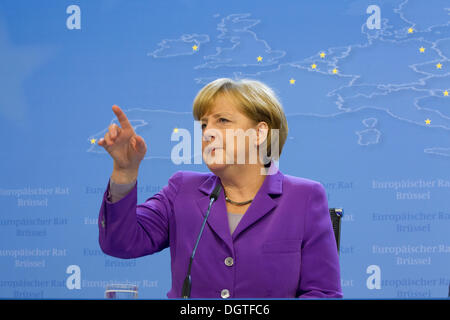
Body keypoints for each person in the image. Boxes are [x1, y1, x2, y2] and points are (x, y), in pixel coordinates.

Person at [97, 78, 343, 298]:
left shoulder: (304, 197)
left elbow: (322, 293)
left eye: (222, 121)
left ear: (259, 133)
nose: (207, 133)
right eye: (204, 125)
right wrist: (124, 171)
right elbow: (119, 243)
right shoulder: (182, 189)